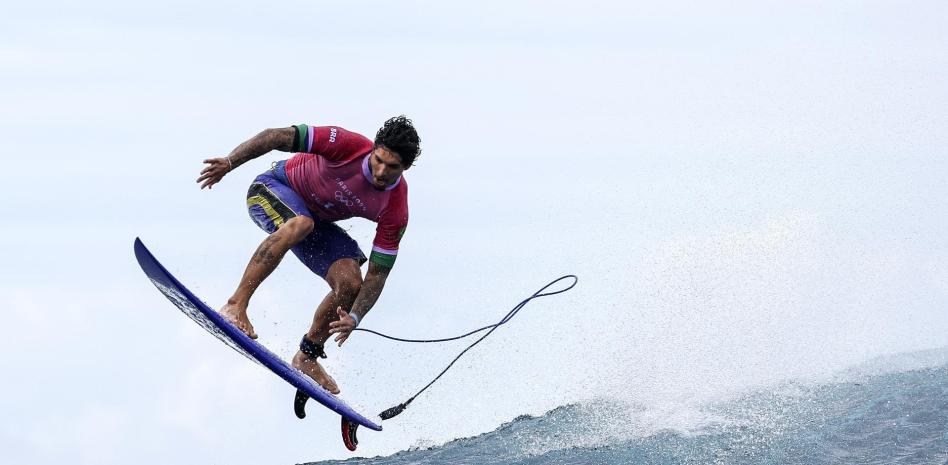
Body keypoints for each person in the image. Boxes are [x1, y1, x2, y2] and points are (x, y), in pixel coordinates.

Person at [196, 116, 420, 394]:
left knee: (351, 283)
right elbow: (275, 136)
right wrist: (230, 162)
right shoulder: (347, 145)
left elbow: (378, 274)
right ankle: (235, 305)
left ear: (405, 167)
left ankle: (307, 355)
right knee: (301, 223)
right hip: (271, 189)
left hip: (315, 223)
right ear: (373, 150)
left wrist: (355, 317)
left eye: (392, 167)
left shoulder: (396, 209)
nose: (381, 171)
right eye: (378, 160)